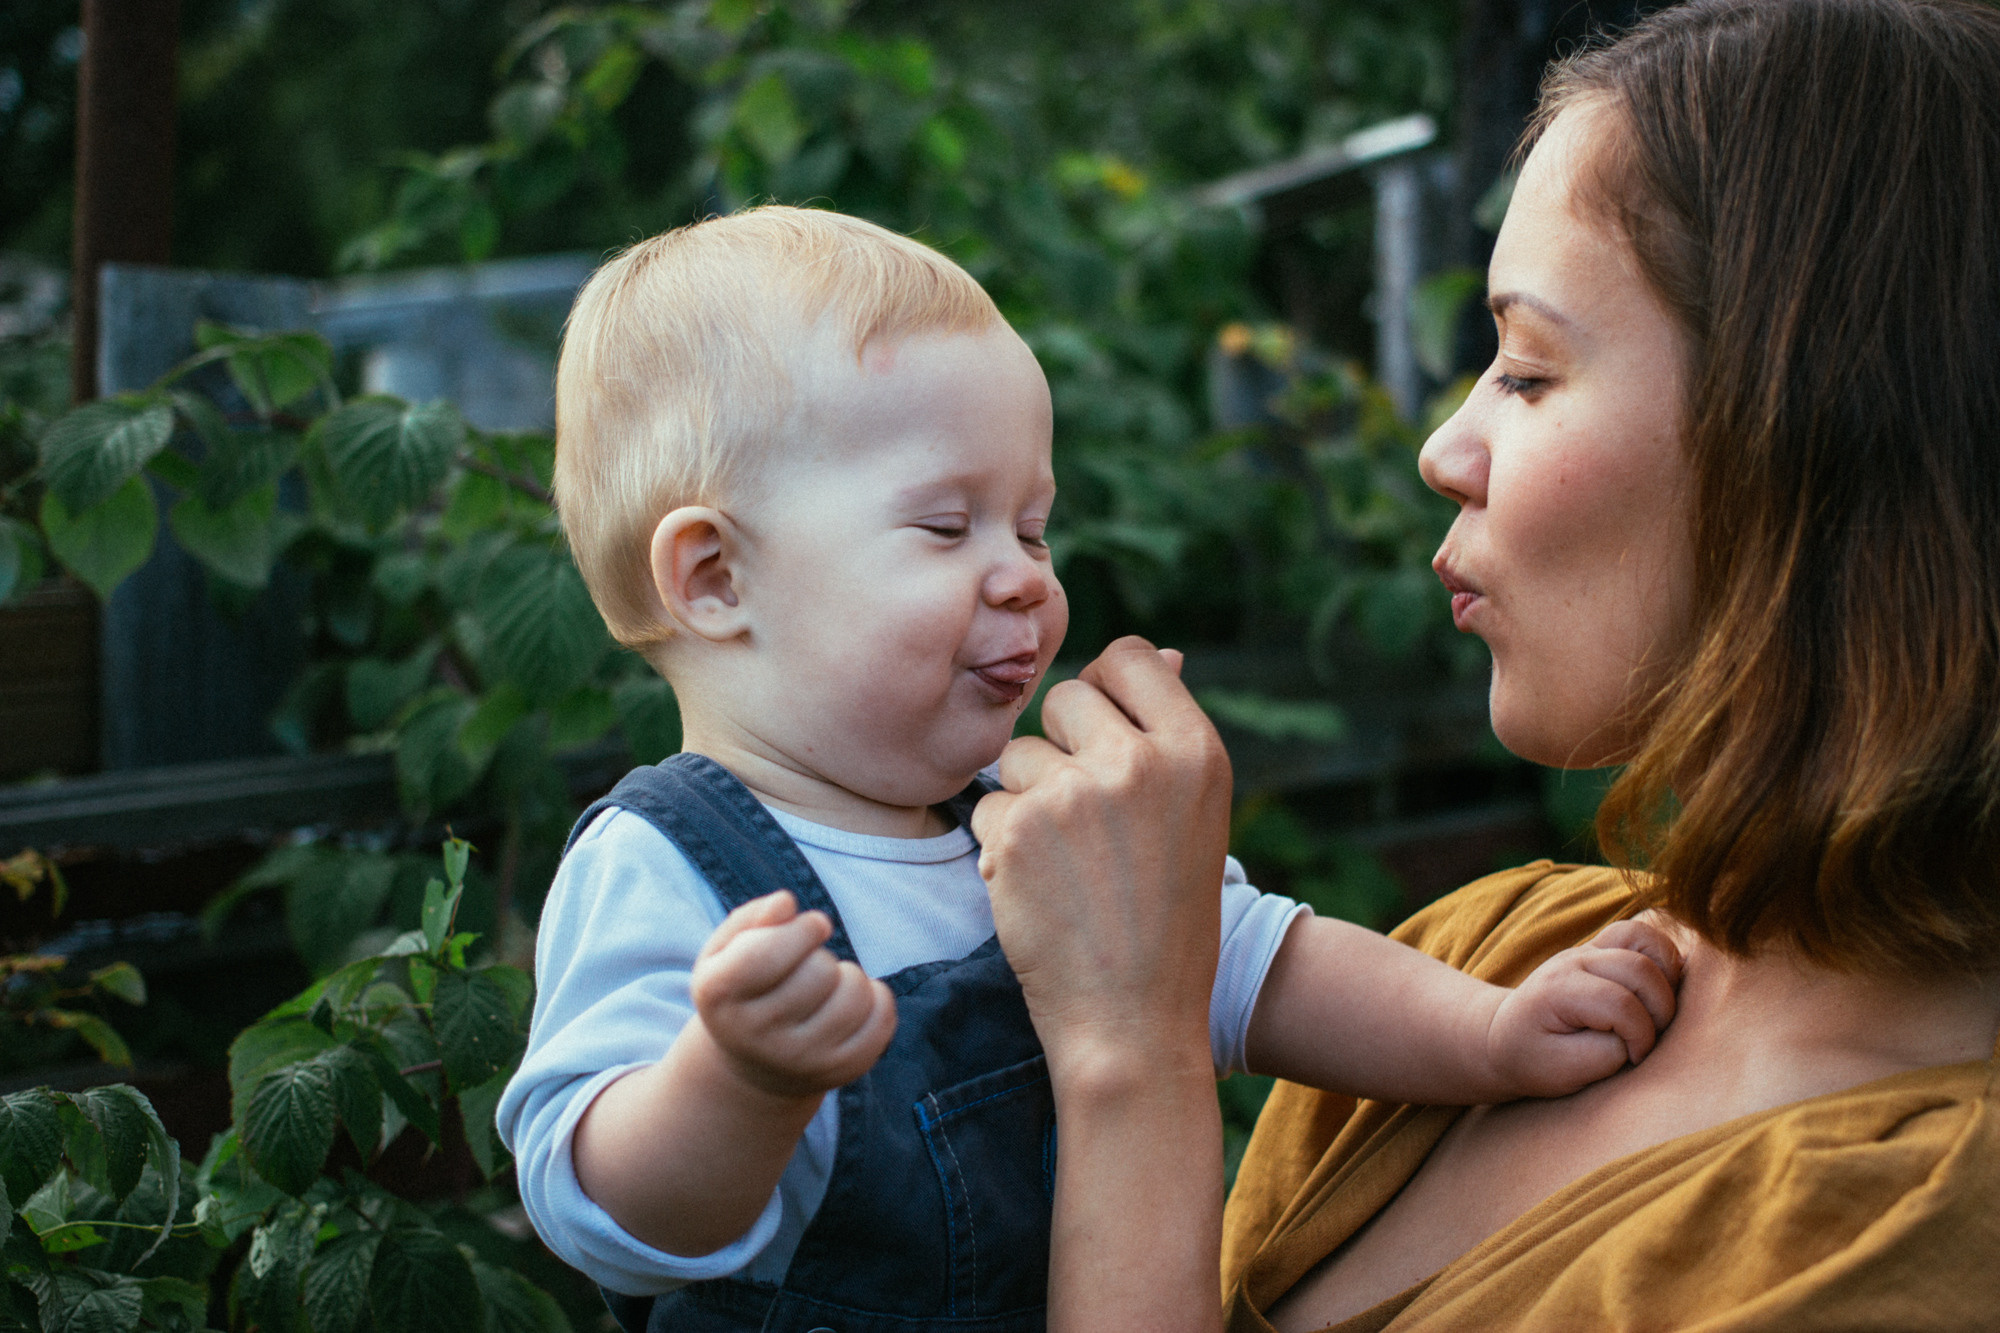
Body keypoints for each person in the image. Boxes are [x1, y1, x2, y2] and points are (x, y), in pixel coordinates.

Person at [972, 0, 2000, 1329]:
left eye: (1526, 371)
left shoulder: (1908, 1224)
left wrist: (1132, 1047)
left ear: (1818, 435)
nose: (1441, 451)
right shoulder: (1491, 967)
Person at [493, 205, 1685, 1332]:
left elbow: (1255, 960)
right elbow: (602, 1211)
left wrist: (1489, 1034)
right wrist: (736, 1080)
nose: (1025, 576)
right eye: (946, 527)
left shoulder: (1026, 821)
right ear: (714, 578)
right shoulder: (665, 865)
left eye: (1032, 526)